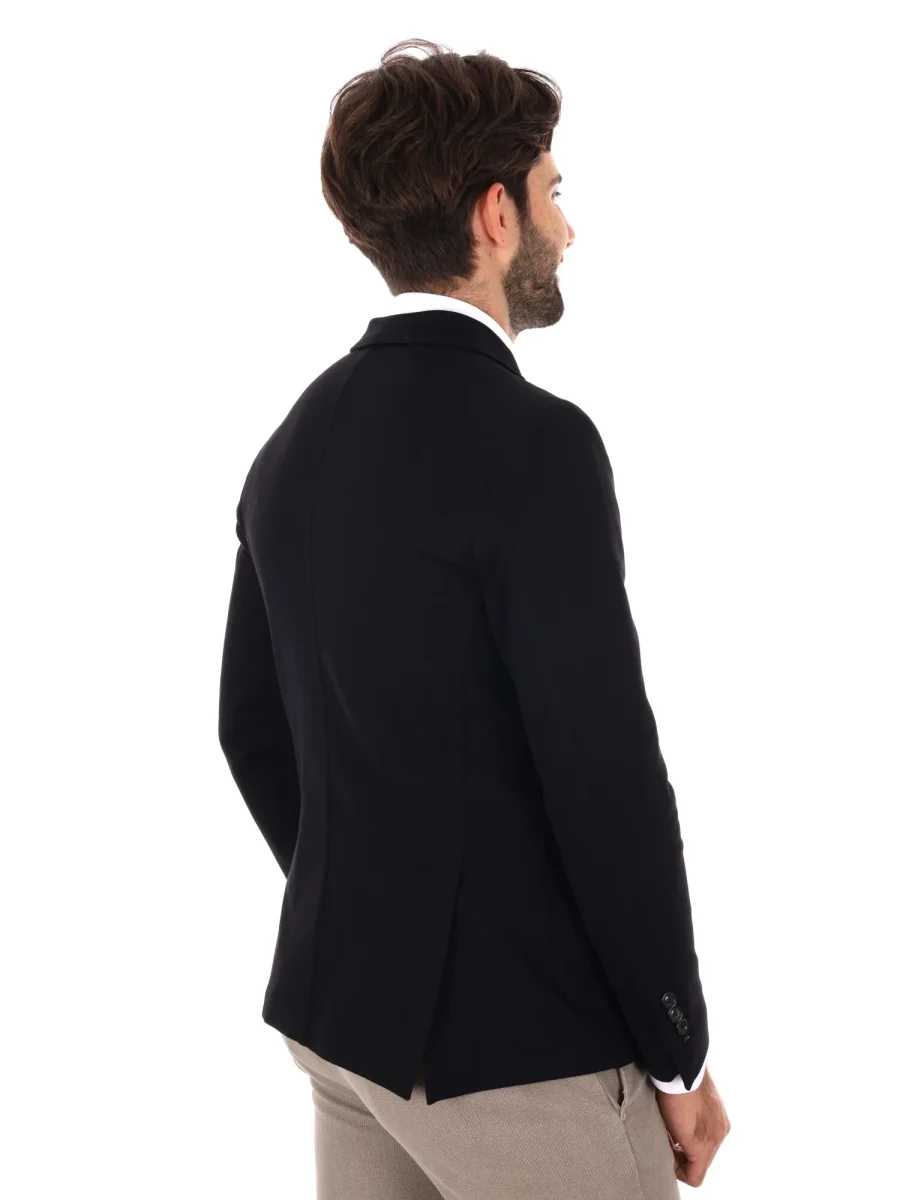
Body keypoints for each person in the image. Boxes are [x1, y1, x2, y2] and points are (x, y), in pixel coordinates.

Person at [218, 36, 730, 1198]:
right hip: (517, 1052)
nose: (568, 227)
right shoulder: (537, 445)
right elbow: (603, 773)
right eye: (554, 191)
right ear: (495, 217)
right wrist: (679, 1049)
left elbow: (248, 727)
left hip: (342, 1027)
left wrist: (383, 914)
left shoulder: (292, 447)